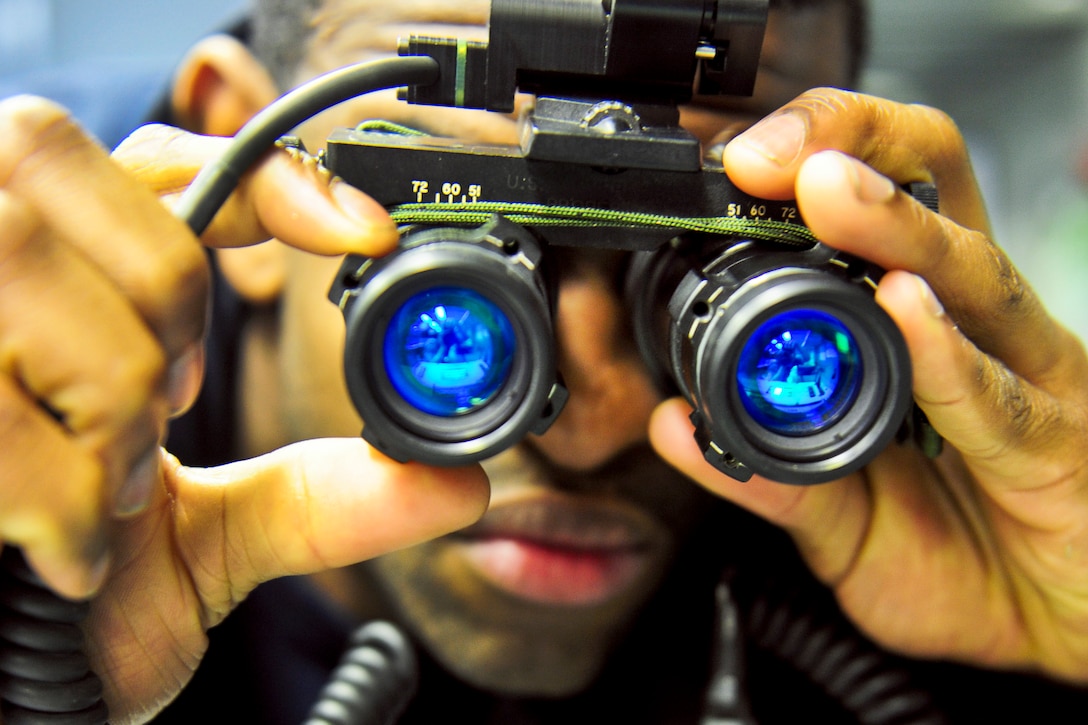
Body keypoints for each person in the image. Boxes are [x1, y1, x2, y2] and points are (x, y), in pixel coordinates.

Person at [2, 0, 1088, 722]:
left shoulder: (896, 522)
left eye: (710, 265)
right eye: (459, 288)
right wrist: (32, 646)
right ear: (238, 143)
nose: (592, 416)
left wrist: (1056, 638)